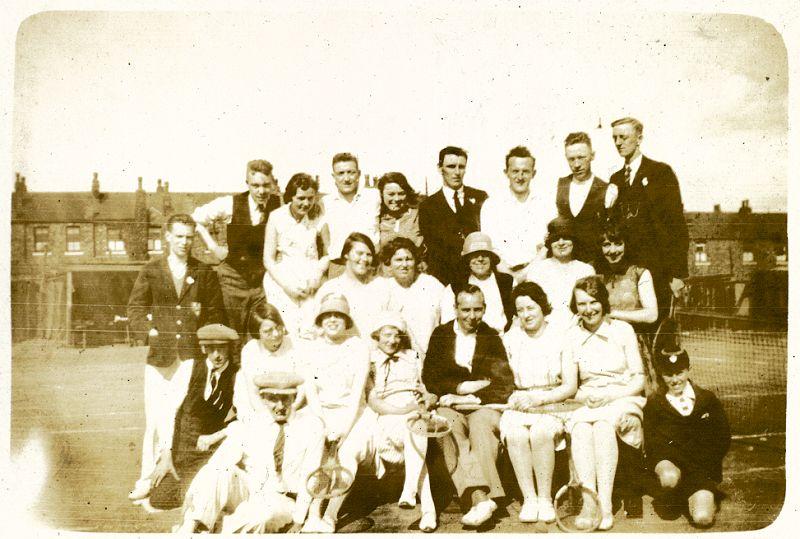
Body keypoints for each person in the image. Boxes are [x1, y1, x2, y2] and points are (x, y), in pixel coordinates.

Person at [126, 213, 226, 502]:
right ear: (167, 237)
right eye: (179, 236)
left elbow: (215, 313)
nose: (184, 242)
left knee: (174, 413)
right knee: (154, 418)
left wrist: (207, 344)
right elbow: (135, 308)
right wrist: (150, 332)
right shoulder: (152, 269)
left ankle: (171, 474)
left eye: (189, 237)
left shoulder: (204, 272)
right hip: (160, 356)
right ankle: (147, 477)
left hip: (191, 355)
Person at [176, 372, 325, 533]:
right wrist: (196, 492)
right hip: (250, 489)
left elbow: (310, 475)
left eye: (285, 399)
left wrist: (299, 520)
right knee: (218, 469)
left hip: (283, 499)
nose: (280, 406)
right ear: (263, 399)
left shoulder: (312, 427)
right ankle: (188, 529)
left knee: (261, 517)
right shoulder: (253, 423)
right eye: (273, 399)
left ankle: (210, 528)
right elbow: (218, 462)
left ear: (294, 397)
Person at [422, 286, 515, 527]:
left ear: (484, 308)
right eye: (466, 310)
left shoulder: (491, 336)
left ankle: (480, 500)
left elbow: (503, 383)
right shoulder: (441, 334)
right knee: (446, 427)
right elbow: (431, 378)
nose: (472, 316)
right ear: (455, 309)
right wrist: (463, 386)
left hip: (483, 406)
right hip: (450, 405)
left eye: (478, 309)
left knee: (481, 429)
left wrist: (471, 397)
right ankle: (481, 498)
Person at [339, 312, 439, 532]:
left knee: (417, 429)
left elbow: (426, 388)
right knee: (415, 429)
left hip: (414, 413)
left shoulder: (412, 356)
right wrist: (406, 409)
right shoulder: (371, 360)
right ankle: (424, 504)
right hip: (388, 417)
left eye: (396, 335)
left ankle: (414, 495)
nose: (392, 340)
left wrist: (428, 399)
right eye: (387, 335)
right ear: (377, 335)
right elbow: (374, 402)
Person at [564, 276, 646, 530]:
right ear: (575, 306)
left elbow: (639, 379)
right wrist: (584, 397)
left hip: (622, 396)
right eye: (581, 304)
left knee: (601, 427)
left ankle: (606, 504)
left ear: (603, 302)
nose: (588, 309)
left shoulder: (623, 330)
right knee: (579, 429)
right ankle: (590, 501)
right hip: (588, 400)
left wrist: (611, 397)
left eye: (594, 302)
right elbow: (570, 387)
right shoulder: (571, 336)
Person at [499, 282, 578, 523]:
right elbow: (502, 381)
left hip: (552, 400)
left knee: (542, 433)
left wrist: (539, 398)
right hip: (520, 402)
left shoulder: (561, 336)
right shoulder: (510, 338)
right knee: (515, 434)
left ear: (542, 307)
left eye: (531, 307)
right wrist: (515, 397)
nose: (526, 314)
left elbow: (570, 386)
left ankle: (545, 499)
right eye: (520, 310)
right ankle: (529, 498)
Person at [300, 294, 372, 532]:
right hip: (320, 413)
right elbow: (311, 392)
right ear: (320, 320)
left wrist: (342, 430)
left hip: (354, 415)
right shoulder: (311, 349)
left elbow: (356, 394)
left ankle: (331, 515)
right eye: (328, 315)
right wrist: (323, 424)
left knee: (347, 454)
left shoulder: (359, 347)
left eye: (338, 316)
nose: (333, 320)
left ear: (346, 320)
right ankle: (312, 513)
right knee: (316, 450)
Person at [148, 323, 239, 511]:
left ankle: (200, 493)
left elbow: (244, 418)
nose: (217, 355)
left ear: (229, 348)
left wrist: (216, 437)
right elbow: (168, 411)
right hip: (182, 448)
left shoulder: (237, 375)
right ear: (204, 348)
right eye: (212, 349)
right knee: (159, 499)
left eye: (221, 348)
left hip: (211, 449)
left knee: (197, 494)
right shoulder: (189, 368)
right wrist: (166, 456)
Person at [609, 117, 689, 323]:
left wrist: (678, 275)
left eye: (624, 137)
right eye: (615, 138)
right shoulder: (616, 179)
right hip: (628, 274)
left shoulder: (661, 173)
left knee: (659, 332)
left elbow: (676, 226)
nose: (618, 143)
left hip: (658, 271)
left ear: (639, 138)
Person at [191, 160, 282, 332]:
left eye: (266, 185)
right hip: (232, 281)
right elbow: (195, 219)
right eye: (255, 185)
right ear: (247, 183)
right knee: (233, 332)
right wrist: (214, 247)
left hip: (262, 284)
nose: (261, 191)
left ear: (273, 183)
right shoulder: (229, 203)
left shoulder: (280, 206)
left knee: (260, 332)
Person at [644, 349, 731, 528]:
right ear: (661, 374)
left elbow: (723, 436)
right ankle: (675, 492)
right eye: (669, 374)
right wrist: (667, 461)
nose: (675, 380)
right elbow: (651, 442)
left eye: (679, 372)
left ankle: (699, 496)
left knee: (702, 518)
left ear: (689, 370)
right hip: (671, 462)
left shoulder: (707, 399)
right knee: (668, 478)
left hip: (700, 468)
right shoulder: (655, 402)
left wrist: (709, 469)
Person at [594, 222, 659, 395]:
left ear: (627, 244)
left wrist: (613, 314)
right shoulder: (596, 275)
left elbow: (652, 314)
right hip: (604, 345)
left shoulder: (640, 273)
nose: (612, 250)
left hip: (634, 346)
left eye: (618, 243)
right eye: (606, 245)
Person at [261, 173, 330, 335]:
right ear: (291, 196)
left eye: (310, 198)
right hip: (282, 282)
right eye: (301, 198)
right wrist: (288, 286)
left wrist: (317, 277)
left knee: (310, 329)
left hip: (311, 281)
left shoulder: (318, 216)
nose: (306, 203)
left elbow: (328, 253)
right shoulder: (276, 216)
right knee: (287, 330)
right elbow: (268, 259)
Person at [481, 145, 553, 282]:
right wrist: (511, 277)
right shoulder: (491, 205)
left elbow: (548, 245)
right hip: (501, 277)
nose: (520, 177)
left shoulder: (546, 205)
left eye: (525, 171)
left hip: (538, 275)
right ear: (506, 172)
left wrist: (525, 274)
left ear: (534, 173)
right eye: (515, 171)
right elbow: (490, 248)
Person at [419, 146, 488, 286]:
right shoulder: (428, 205)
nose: (457, 172)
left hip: (477, 277)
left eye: (461, 167)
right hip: (444, 279)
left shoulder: (480, 198)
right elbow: (431, 247)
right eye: (451, 166)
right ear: (440, 168)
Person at [235, 302, 304, 424]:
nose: (276, 334)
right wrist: (267, 418)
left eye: (278, 327)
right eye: (268, 331)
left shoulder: (295, 344)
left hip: (291, 407)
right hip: (260, 408)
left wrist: (289, 411)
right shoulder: (250, 350)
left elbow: (304, 387)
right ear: (258, 333)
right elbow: (252, 392)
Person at [375, 237, 444, 358]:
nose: (404, 264)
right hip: (396, 358)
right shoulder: (383, 288)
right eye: (398, 260)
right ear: (389, 263)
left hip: (431, 355)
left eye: (409, 259)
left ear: (416, 261)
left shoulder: (432, 285)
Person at [555, 132, 618, 263]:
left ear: (592, 156)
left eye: (581, 157)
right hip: (564, 262)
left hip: (596, 263)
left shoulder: (607, 190)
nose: (577, 164)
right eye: (571, 159)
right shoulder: (560, 185)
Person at [524, 217, 594, 327]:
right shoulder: (537, 269)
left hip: (578, 328)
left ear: (573, 241)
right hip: (545, 329)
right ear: (550, 243)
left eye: (566, 238)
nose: (561, 243)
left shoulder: (585, 270)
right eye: (556, 239)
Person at [440, 232, 515, 334]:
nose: (480, 259)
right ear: (467, 260)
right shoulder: (454, 288)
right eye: (474, 255)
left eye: (485, 255)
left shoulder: (507, 282)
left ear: (491, 258)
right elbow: (448, 326)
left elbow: (517, 319)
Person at [321, 152, 381, 277]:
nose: (346, 179)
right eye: (341, 173)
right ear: (334, 176)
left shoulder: (374, 196)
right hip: (338, 268)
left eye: (351, 172)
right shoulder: (326, 202)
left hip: (370, 268)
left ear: (359, 174)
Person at [312, 232, 383, 336]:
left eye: (369, 255)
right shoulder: (330, 288)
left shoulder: (381, 286)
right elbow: (316, 327)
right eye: (359, 253)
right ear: (346, 255)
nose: (364, 259)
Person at [376, 171, 423, 252]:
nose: (397, 199)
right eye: (391, 194)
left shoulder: (418, 215)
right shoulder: (376, 218)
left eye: (401, 194)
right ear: (381, 194)